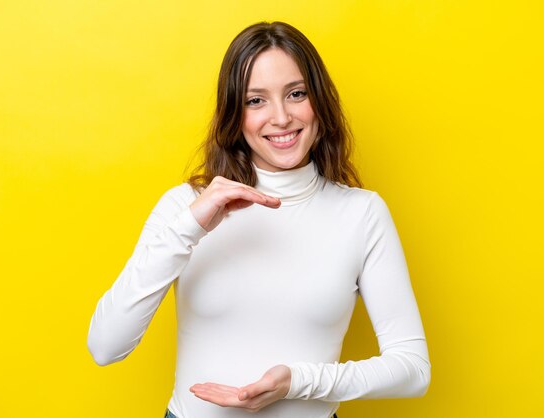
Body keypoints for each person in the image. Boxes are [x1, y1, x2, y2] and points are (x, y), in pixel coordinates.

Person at [87, 21, 431, 418]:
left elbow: (413, 369)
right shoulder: (185, 207)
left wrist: (299, 382)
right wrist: (189, 227)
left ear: (319, 102)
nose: (281, 117)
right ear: (234, 113)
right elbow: (105, 346)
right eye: (256, 101)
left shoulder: (362, 213)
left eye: (296, 94)